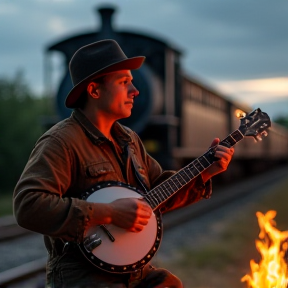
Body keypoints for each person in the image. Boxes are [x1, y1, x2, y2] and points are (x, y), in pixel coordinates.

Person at [13, 39, 234, 288]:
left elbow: (158, 194)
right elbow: (28, 205)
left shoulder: (128, 139)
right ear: (95, 91)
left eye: (132, 81)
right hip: (84, 276)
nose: (135, 91)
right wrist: (110, 213)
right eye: (124, 82)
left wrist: (205, 173)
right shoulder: (62, 141)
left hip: (134, 271)